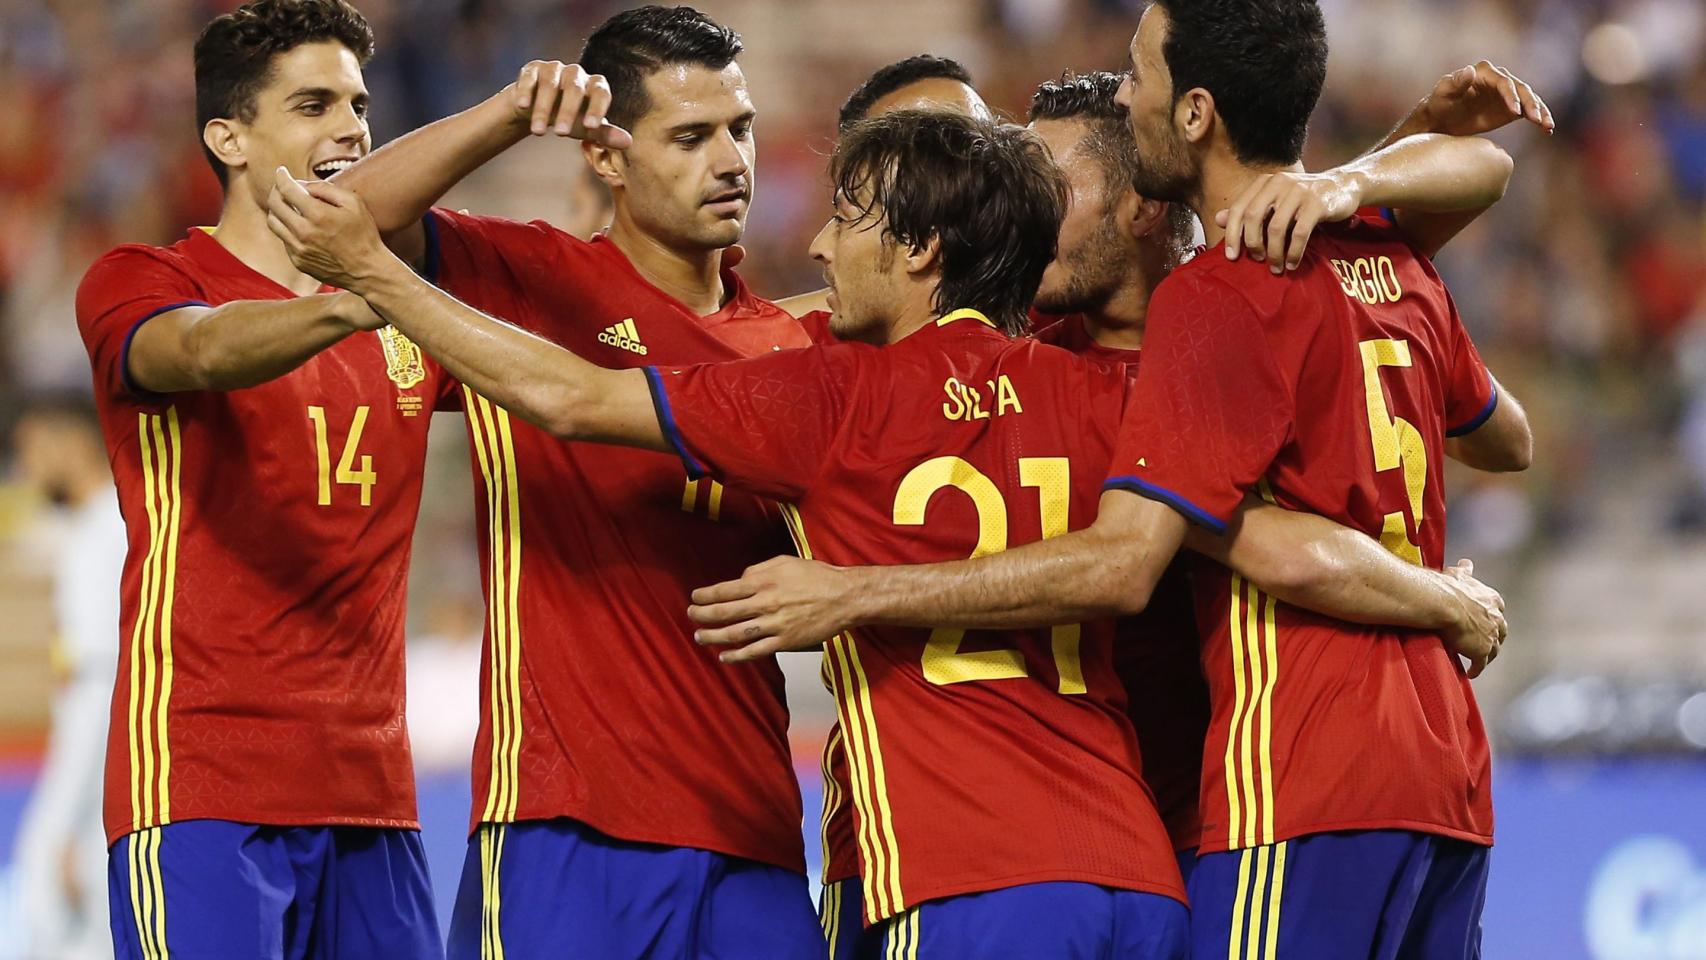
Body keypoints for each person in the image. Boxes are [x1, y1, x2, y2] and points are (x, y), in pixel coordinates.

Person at [264, 94, 1511, 954]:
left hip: (959, 882)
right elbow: (1262, 532)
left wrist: (379, 279)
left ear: (917, 249)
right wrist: (1434, 593)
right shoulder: (1107, 396)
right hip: (1136, 884)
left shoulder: (830, 397)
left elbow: (567, 397)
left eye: (850, 222)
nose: (815, 241)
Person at [684, 2, 1538, 956]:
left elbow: (1222, 542)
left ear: (1147, 197)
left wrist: (1351, 178)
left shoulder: (1209, 315)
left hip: (1259, 799)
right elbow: (1503, 416)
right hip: (1124, 836)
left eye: (1047, 185)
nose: (1010, 210)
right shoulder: (1042, 357)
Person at [333, 7, 823, 958]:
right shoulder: (528, 279)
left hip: (755, 830)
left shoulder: (791, 344)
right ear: (606, 156)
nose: (731, 161)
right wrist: (509, 114)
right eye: (690, 136)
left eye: (742, 128)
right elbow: (338, 219)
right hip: (564, 829)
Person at [71, 1, 450, 956]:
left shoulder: (403, 303)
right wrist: (356, 301)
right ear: (227, 137)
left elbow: (579, 378)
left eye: (358, 103)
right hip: (200, 782)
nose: (352, 127)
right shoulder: (143, 278)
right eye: (314, 104)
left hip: (375, 796)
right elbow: (199, 354)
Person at [10, 397, 123, 960]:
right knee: (81, 853)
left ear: (72, 444)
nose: (27, 468)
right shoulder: (78, 522)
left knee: (46, 851)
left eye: (34, 450)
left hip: (106, 688)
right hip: (81, 695)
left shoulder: (118, 518)